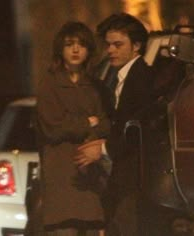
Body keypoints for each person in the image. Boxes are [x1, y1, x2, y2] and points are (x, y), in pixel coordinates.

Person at [28, 21, 110, 236]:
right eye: (69, 45)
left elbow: (105, 123)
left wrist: (89, 127)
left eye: (81, 45)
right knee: (64, 229)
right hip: (61, 173)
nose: (75, 50)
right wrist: (87, 123)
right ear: (60, 49)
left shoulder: (94, 86)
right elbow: (53, 128)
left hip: (90, 174)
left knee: (92, 227)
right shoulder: (49, 85)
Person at [75, 13, 154, 235]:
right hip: (123, 180)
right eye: (108, 45)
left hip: (135, 182)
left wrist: (102, 149)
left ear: (137, 45)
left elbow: (139, 129)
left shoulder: (142, 79)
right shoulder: (121, 77)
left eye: (118, 45)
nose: (110, 50)